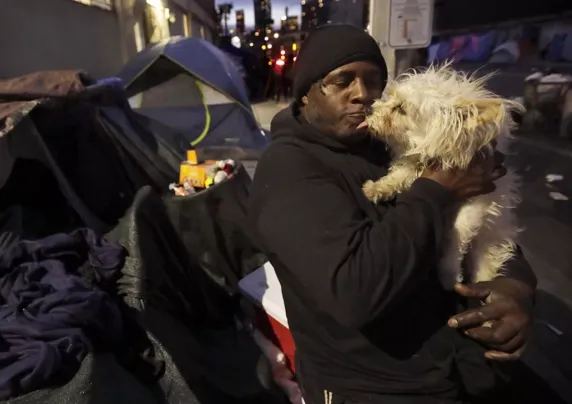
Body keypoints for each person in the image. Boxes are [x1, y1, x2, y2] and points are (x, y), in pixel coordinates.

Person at [248, 25, 541, 404]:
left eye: (374, 81)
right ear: (306, 94)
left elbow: (489, 220)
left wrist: (515, 288)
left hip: (461, 371)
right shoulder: (289, 172)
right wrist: (436, 189)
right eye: (342, 81)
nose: (362, 95)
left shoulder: (391, 141)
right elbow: (355, 293)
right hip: (377, 388)